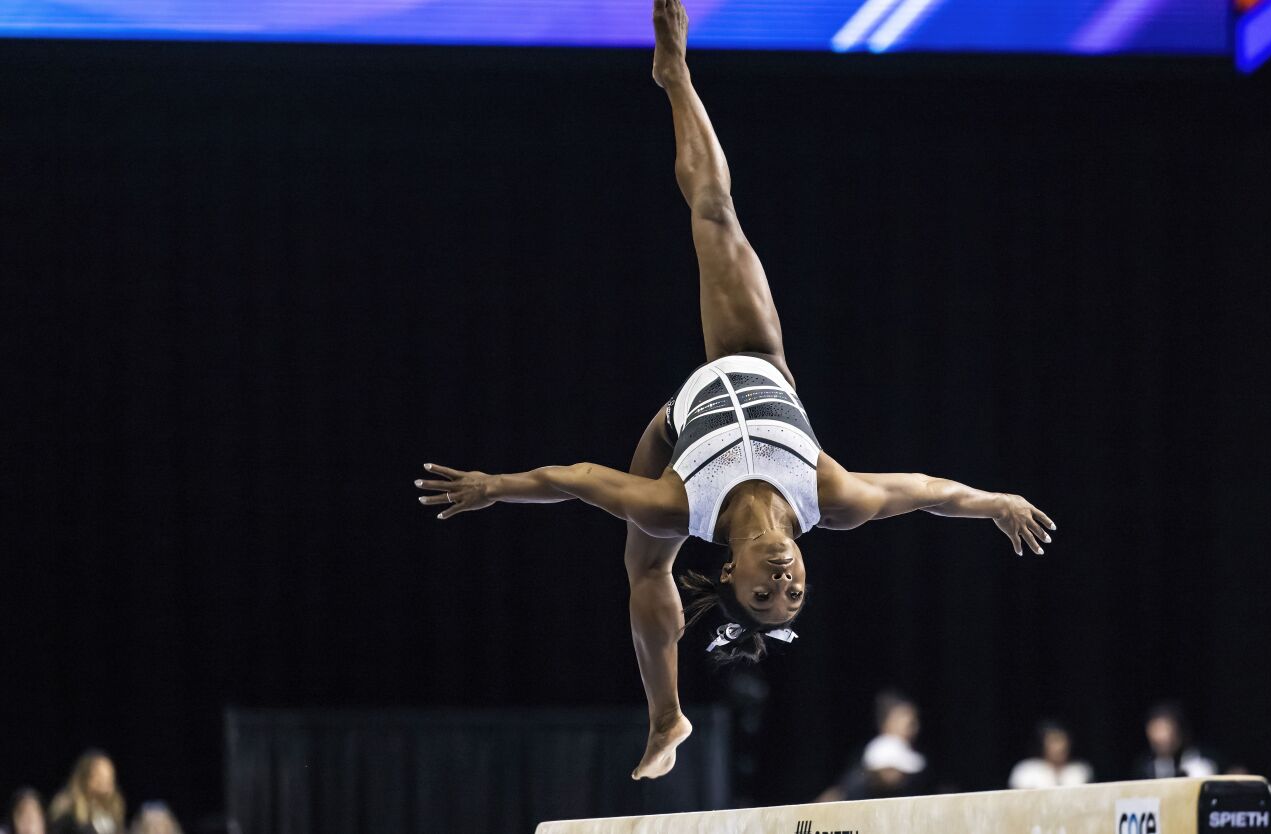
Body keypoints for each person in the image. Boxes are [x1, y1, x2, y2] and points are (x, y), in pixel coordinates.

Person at [413, 0, 1056, 781]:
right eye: (793, 591)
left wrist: (495, 485)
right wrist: (995, 502)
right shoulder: (832, 497)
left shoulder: (680, 507)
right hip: (754, 355)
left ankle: (664, 714)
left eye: (765, 593)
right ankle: (674, 73)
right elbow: (923, 491)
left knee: (645, 571)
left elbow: (577, 479)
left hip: (676, 433)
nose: (784, 580)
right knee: (715, 212)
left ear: (729, 575)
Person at [816, 691, 927, 802]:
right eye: (907, 723)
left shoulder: (916, 767)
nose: (913, 729)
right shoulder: (874, 755)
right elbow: (840, 792)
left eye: (913, 723)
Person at [1132, 701, 1217, 779]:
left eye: (1165, 729)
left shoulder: (1202, 760)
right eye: (1155, 730)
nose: (1160, 737)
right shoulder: (1145, 768)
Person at [48, 752, 125, 834]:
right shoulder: (69, 813)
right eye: (99, 774)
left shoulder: (113, 815)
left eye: (109, 776)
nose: (105, 780)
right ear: (85, 777)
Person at [1009, 720, 1093, 789]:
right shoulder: (1027, 770)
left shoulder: (1079, 770)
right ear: (1042, 745)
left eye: (1062, 741)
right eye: (1054, 741)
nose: (1059, 748)